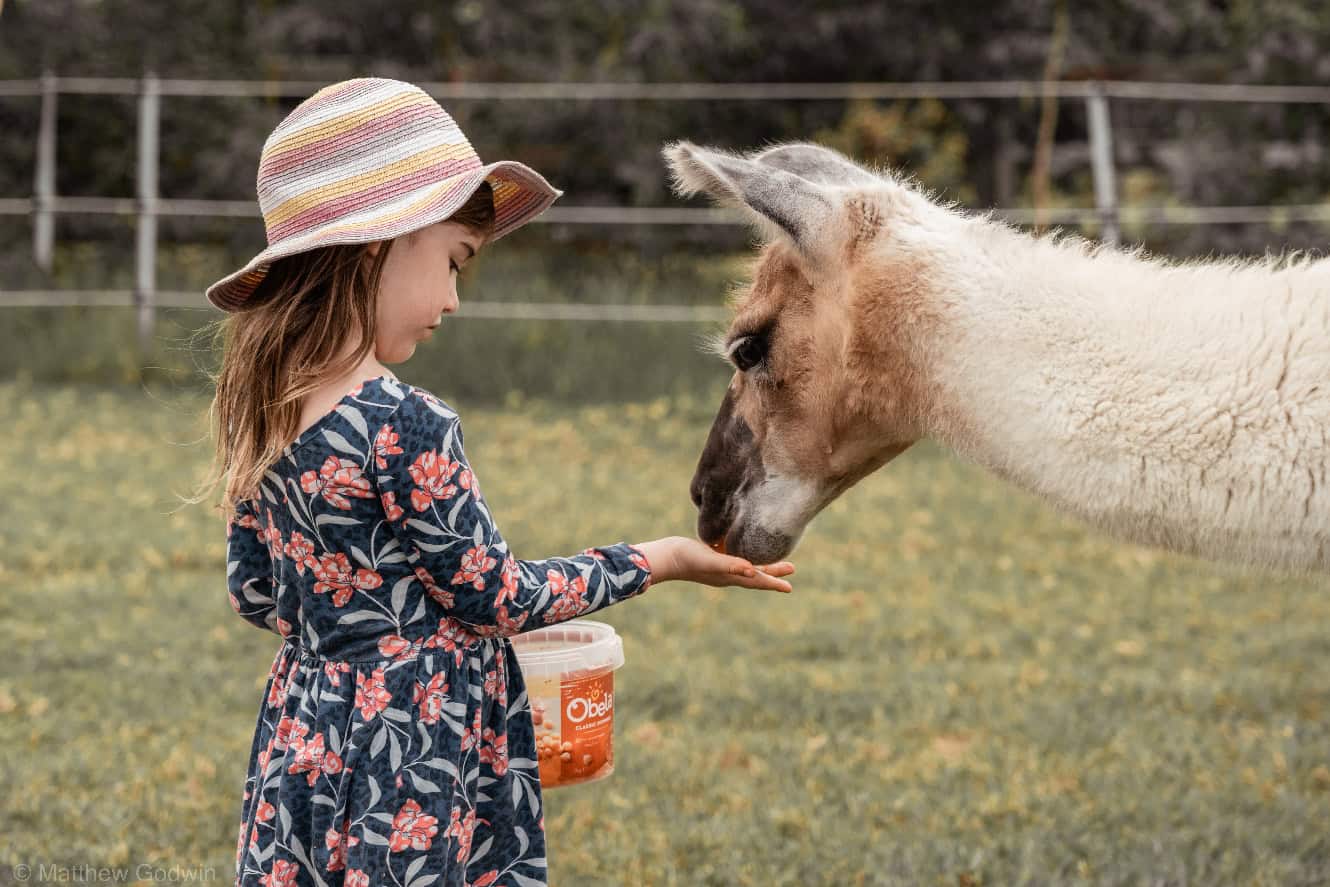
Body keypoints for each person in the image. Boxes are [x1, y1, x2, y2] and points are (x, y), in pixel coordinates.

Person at [200, 77, 795, 887]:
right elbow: (498, 598)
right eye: (452, 262)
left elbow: (256, 593)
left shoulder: (263, 416)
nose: (451, 298)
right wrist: (660, 558)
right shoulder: (405, 423)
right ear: (380, 244)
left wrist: (354, 643)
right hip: (409, 762)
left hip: (302, 743)